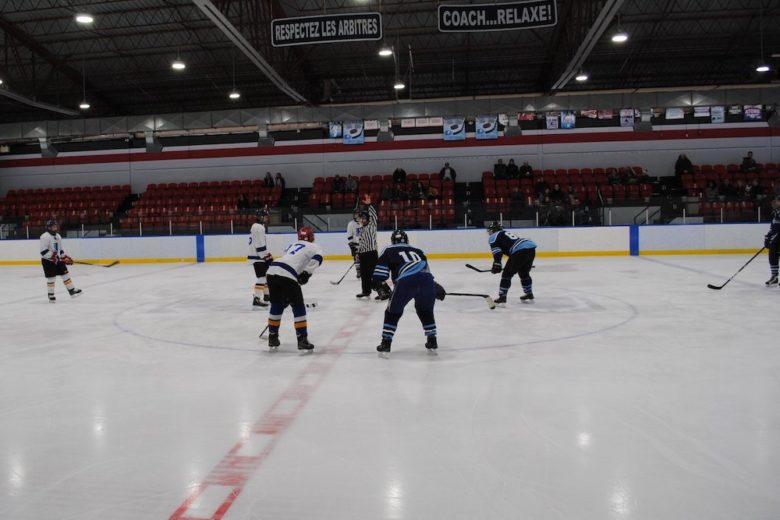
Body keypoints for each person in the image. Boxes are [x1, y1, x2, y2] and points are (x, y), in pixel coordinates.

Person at [373, 230, 439, 353]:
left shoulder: (389, 249)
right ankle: (432, 339)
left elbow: (380, 273)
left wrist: (379, 282)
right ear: (407, 240)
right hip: (427, 281)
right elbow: (426, 271)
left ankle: (386, 343)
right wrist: (435, 286)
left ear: (393, 241)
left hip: (406, 281)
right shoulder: (418, 251)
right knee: (425, 310)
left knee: (392, 312)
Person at [265, 227, 323, 350]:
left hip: (272, 270)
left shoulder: (292, 245)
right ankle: (302, 339)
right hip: (287, 273)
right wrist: (307, 273)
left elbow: (291, 260)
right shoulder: (315, 247)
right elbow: (318, 259)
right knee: (298, 306)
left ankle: (272, 337)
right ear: (312, 237)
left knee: (276, 305)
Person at [487, 221, 537, 304]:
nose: (489, 232)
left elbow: (497, 252)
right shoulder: (505, 233)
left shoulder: (493, 236)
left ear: (493, 230)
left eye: (490, 230)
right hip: (530, 249)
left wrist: (497, 264)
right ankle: (529, 294)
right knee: (524, 273)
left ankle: (502, 298)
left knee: (506, 275)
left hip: (519, 251)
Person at [39, 219, 82, 302]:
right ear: (48, 228)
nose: (55, 228)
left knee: (65, 274)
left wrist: (64, 257)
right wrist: (53, 256)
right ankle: (51, 295)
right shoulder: (44, 236)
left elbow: (60, 250)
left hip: (57, 259)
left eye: (56, 226)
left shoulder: (58, 236)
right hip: (47, 261)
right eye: (53, 227)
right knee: (51, 278)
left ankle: (72, 290)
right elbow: (43, 251)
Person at [355, 195, 380, 299]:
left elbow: (374, 215)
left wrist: (369, 205)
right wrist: (357, 252)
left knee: (374, 273)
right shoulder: (359, 228)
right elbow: (359, 242)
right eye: (362, 218)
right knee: (364, 274)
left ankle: (381, 291)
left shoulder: (372, 225)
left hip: (371, 253)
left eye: (365, 218)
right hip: (362, 254)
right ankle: (366, 291)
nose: (363, 220)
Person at [248, 209, 272, 309]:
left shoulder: (257, 226)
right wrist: (266, 256)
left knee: (266, 276)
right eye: (265, 216)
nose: (267, 218)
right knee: (262, 277)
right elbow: (260, 245)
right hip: (258, 257)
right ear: (261, 217)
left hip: (258, 256)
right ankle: (257, 298)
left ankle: (267, 296)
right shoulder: (258, 228)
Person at [764, 197, 780, 287]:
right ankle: (774, 277)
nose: (774, 203)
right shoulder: (774, 213)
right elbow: (772, 228)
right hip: (775, 240)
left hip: (778, 239)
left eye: (777, 201)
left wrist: (774, 238)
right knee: (772, 257)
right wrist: (767, 237)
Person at [346, 210, 362, 279]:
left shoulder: (363, 222)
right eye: (355, 214)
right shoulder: (351, 224)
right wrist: (351, 244)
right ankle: (358, 271)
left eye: (357, 214)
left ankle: (365, 271)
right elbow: (349, 235)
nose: (356, 216)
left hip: (364, 244)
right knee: (357, 258)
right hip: (355, 244)